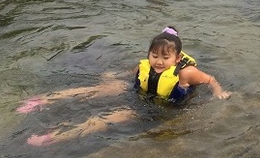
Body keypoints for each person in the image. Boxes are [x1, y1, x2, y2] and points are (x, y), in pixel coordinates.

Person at [17, 27, 230, 146]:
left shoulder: (186, 72)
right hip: (142, 93)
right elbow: (135, 72)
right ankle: (44, 100)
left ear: (176, 59)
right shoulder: (144, 65)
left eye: (165, 57)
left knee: (108, 118)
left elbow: (210, 80)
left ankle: (53, 137)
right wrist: (114, 76)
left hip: (166, 106)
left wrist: (218, 93)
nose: (158, 61)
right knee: (101, 89)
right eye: (154, 55)